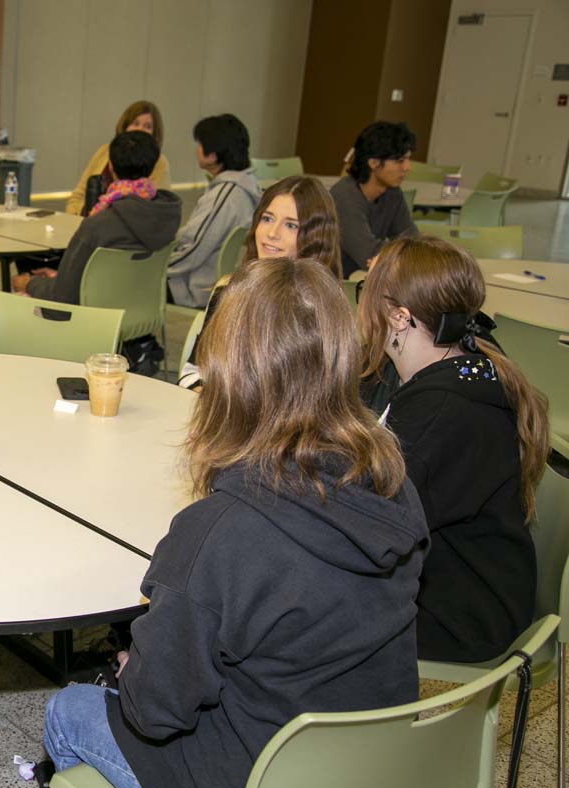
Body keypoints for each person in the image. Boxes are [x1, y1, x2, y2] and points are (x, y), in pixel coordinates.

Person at [42, 257, 428, 788]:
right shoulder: (392, 484)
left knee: (70, 706)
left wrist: (136, 670)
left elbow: (154, 713)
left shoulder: (218, 534)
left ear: (227, 376)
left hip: (255, 779)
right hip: (369, 766)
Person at [358, 235, 549, 663]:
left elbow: (372, 528)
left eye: (365, 297)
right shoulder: (462, 367)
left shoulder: (441, 414)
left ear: (400, 318)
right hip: (467, 585)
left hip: (460, 619)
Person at [177, 175, 340, 388]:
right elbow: (194, 371)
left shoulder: (318, 307)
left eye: (291, 225)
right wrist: (201, 390)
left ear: (314, 237)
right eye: (267, 219)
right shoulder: (229, 291)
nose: (272, 233)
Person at [13, 131, 180, 305]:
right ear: (152, 168)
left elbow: (62, 297)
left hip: (98, 320)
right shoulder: (168, 215)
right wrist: (59, 278)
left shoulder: (97, 224)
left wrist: (31, 283)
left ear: (111, 168)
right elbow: (122, 278)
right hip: (141, 314)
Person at [164, 113, 260, 308]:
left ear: (213, 155)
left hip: (196, 287)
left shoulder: (225, 195)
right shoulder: (246, 186)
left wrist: (157, 270)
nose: (196, 150)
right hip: (217, 281)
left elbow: (194, 248)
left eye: (199, 144)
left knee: (129, 281)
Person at [330, 121, 418, 277]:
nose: (407, 167)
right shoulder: (344, 197)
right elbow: (369, 255)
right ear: (373, 162)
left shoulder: (392, 193)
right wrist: (403, 250)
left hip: (367, 280)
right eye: (400, 161)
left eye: (407, 159)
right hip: (337, 287)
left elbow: (413, 240)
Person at [65, 101, 172, 216]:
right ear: (125, 126)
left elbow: (159, 211)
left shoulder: (159, 162)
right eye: (135, 123)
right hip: (88, 222)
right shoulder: (105, 151)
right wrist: (85, 213)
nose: (139, 130)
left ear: (154, 133)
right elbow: (77, 196)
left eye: (147, 126)